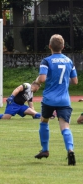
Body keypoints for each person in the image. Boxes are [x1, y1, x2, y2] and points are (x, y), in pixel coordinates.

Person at [34, 34, 78, 166]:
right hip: (64, 100)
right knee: (65, 126)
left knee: (44, 121)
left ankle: (45, 149)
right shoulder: (69, 61)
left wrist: (36, 82)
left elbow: (42, 79)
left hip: (49, 99)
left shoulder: (46, 61)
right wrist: (64, 80)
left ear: (49, 46)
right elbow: (75, 81)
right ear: (63, 47)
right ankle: (70, 150)